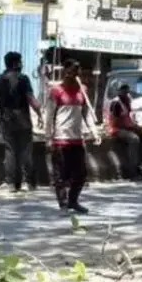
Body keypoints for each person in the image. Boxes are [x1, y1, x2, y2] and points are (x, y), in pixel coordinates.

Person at [45, 59, 100, 214]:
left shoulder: (82, 90)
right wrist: (48, 137)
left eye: (77, 70)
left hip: (77, 138)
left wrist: (94, 131)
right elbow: (49, 115)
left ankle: (73, 201)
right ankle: (63, 204)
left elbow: (86, 113)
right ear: (65, 72)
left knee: (81, 174)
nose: (75, 73)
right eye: (71, 70)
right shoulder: (56, 91)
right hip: (61, 137)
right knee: (61, 175)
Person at [0, 52, 41, 193]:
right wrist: (40, 113)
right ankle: (26, 182)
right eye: (21, 62)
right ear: (16, 63)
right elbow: (31, 99)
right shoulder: (23, 79)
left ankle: (10, 183)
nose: (22, 64)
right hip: (23, 119)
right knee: (25, 151)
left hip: (6, 120)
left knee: (10, 151)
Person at [108, 83, 142, 180]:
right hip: (117, 128)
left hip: (128, 126)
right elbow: (115, 122)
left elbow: (129, 117)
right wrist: (131, 127)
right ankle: (132, 171)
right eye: (122, 90)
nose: (125, 92)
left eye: (126, 90)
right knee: (134, 139)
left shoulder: (127, 100)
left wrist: (135, 126)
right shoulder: (116, 103)